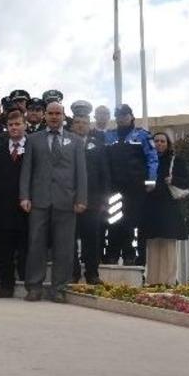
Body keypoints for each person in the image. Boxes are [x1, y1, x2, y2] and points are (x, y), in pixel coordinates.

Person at [19, 102, 87, 302]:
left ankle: (59, 288)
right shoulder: (32, 139)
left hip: (66, 201)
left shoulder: (75, 141)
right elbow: (27, 170)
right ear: (45, 116)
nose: (54, 117)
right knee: (36, 245)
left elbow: (81, 173)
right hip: (39, 200)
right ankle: (34, 287)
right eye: (51, 113)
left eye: (58, 113)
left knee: (64, 247)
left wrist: (81, 198)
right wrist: (24, 196)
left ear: (64, 116)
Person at [104, 104, 158, 266]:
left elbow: (152, 158)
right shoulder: (109, 136)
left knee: (131, 221)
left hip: (135, 187)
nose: (121, 118)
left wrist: (151, 180)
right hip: (114, 187)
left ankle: (130, 255)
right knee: (113, 220)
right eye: (118, 115)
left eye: (124, 115)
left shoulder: (142, 135)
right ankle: (112, 254)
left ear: (131, 116)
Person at [0, 110, 28, 297]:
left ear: (24, 125)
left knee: (26, 248)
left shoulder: (33, 147)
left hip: (27, 207)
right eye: (11, 125)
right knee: (5, 250)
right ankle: (6, 286)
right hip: (3, 207)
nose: (14, 128)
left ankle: (28, 283)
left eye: (18, 124)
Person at [140, 132, 189, 285]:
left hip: (169, 209)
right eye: (156, 141)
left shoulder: (176, 161)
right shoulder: (146, 160)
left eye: (163, 141)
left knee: (168, 246)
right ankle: (153, 281)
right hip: (150, 209)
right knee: (153, 246)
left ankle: (168, 282)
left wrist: (173, 179)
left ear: (167, 143)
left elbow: (188, 181)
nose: (159, 144)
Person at [70, 101, 111, 285]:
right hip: (68, 199)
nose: (81, 125)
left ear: (89, 124)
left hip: (92, 200)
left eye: (84, 122)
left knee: (91, 238)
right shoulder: (64, 143)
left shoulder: (98, 144)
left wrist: (104, 199)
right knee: (69, 239)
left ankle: (92, 274)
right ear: (72, 124)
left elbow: (105, 173)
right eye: (77, 122)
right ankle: (73, 272)